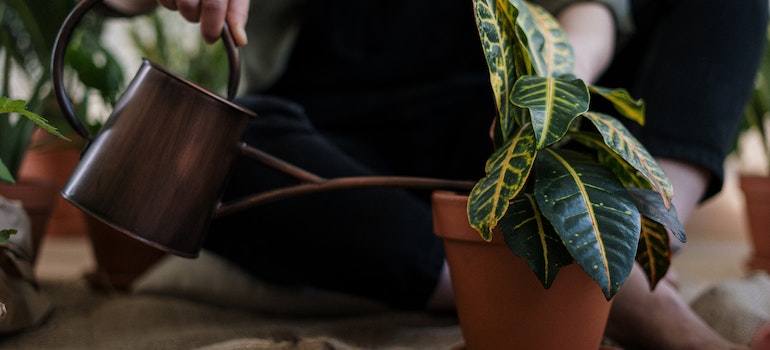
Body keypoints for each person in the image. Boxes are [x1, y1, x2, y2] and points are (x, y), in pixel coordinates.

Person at [1, 0, 769, 349]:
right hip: (341, 128)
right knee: (214, 155)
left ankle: (634, 245)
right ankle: (553, 280)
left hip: (514, 120)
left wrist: (542, 90)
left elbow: (595, 10)